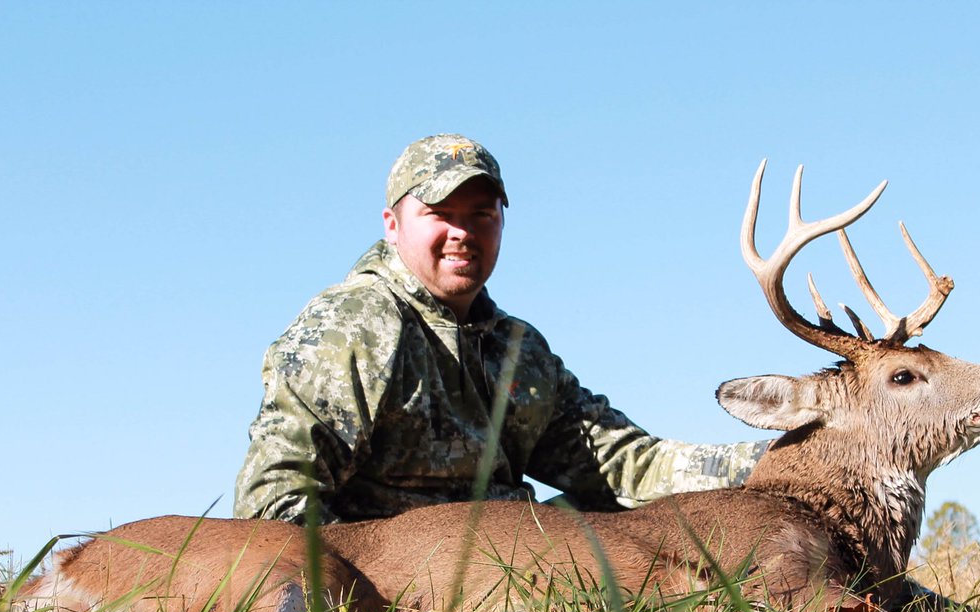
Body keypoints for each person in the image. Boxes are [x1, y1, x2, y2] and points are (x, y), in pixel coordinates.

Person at [233, 133, 768, 525]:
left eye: (482, 214)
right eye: (440, 213)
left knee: (639, 520)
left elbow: (626, 466)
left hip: (515, 566)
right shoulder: (355, 325)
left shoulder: (518, 349)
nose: (463, 232)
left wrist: (785, 458)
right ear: (392, 226)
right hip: (395, 589)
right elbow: (275, 500)